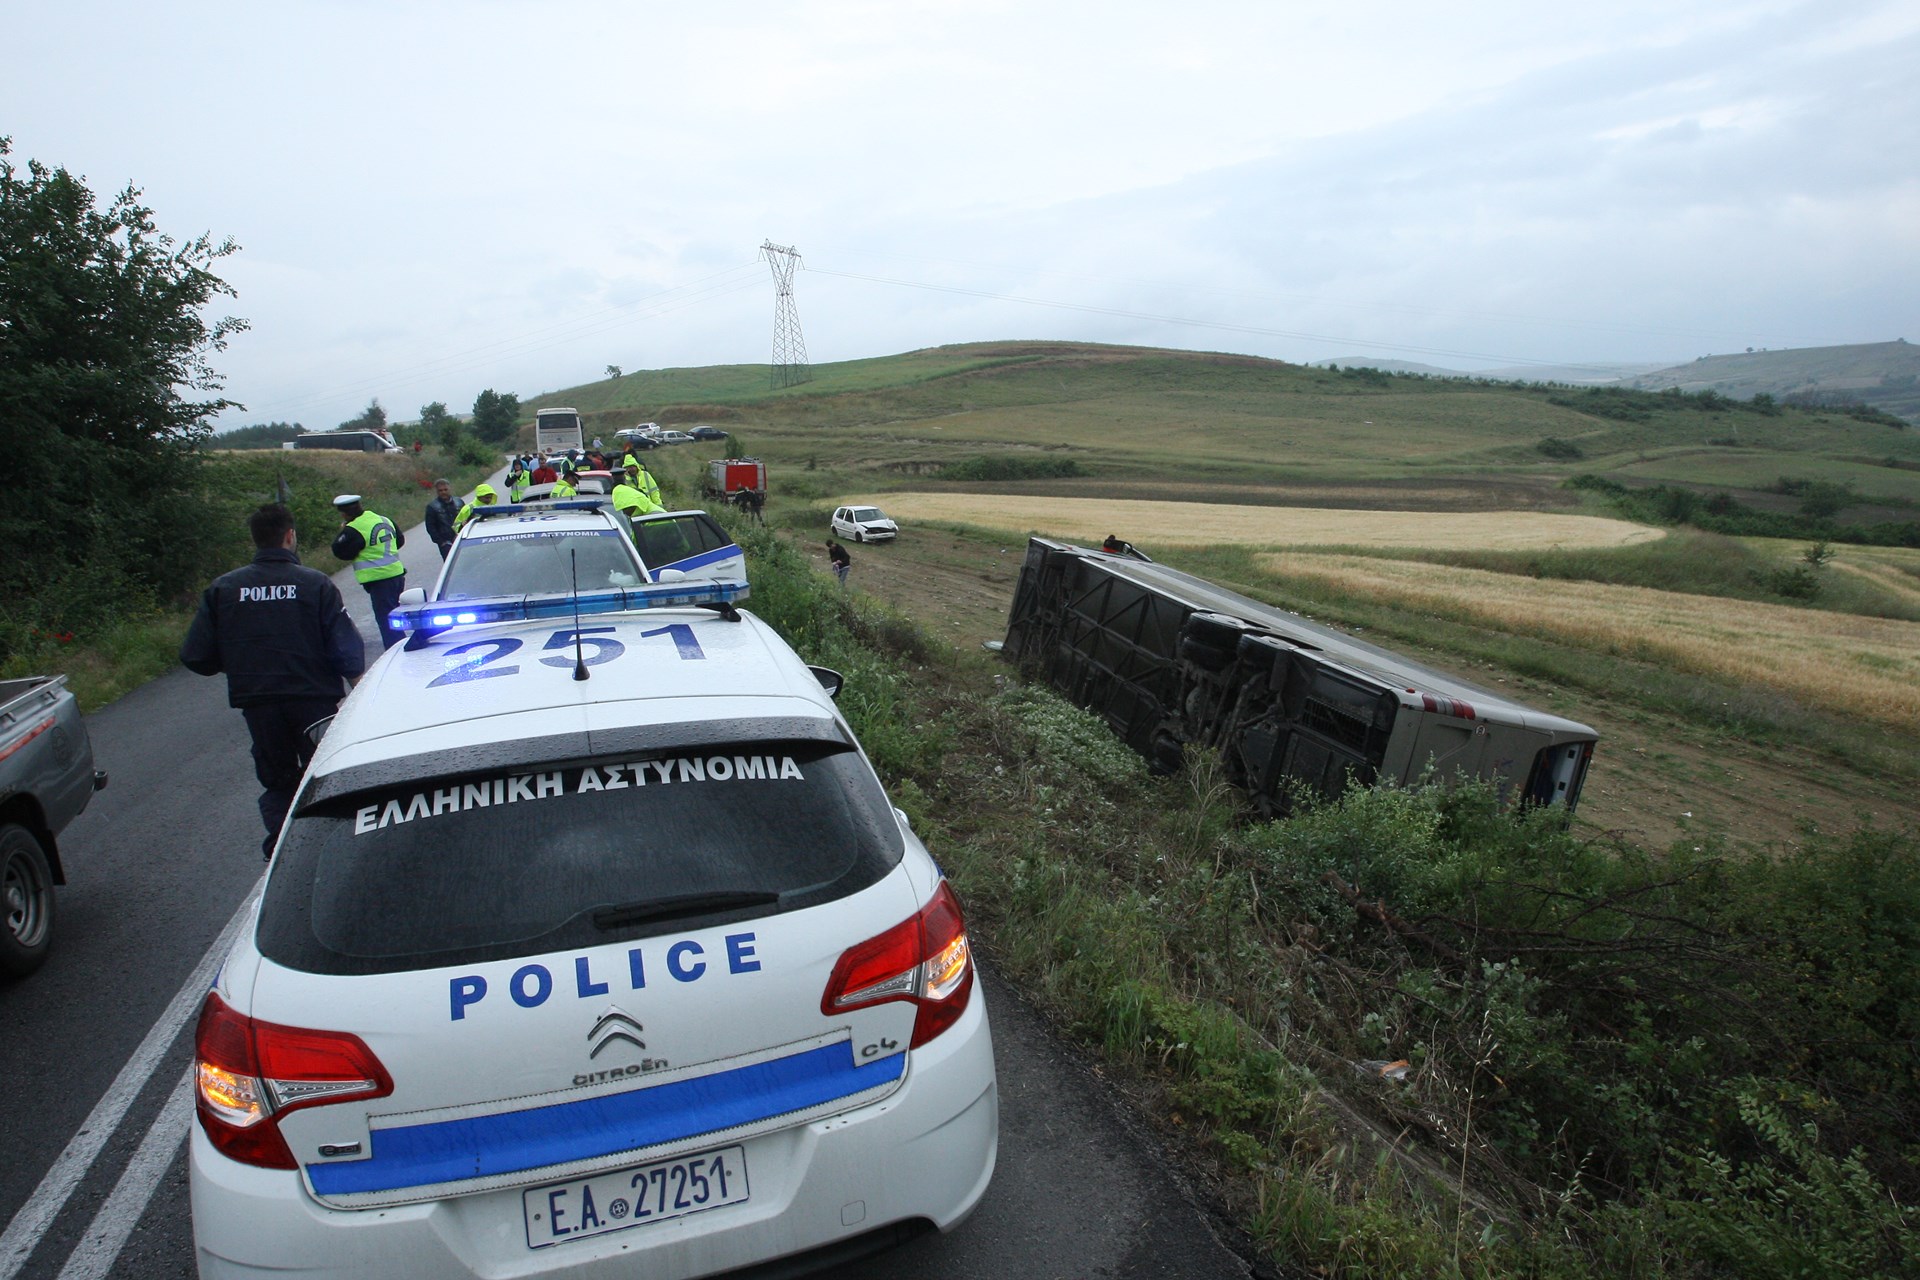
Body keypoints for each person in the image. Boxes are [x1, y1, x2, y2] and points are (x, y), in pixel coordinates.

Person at [180, 504, 365, 859]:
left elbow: (196, 655)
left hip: (260, 704)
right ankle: (333, 847)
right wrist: (360, 689)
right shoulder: (314, 584)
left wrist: (239, 665)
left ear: (255, 539)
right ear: (290, 536)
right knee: (324, 774)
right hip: (313, 703)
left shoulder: (224, 589)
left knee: (278, 780)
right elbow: (345, 649)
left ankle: (283, 852)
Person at [330, 495, 407, 648]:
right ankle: (401, 645)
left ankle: (396, 650)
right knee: (394, 616)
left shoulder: (354, 529)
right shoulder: (383, 519)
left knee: (387, 621)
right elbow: (399, 541)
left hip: (380, 580)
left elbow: (339, 550)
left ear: (344, 514)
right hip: (397, 575)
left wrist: (344, 531)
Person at [424, 478, 461, 560]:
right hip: (446, 544)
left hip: (461, 539)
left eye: (445, 489)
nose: (443, 492)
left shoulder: (459, 502)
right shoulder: (432, 507)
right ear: (437, 492)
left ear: (449, 489)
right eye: (440, 490)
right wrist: (441, 542)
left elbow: (467, 518)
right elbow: (430, 527)